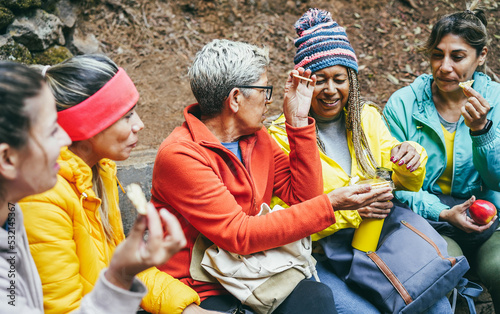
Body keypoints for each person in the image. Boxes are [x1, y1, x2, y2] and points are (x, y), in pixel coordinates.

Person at [146, 38, 394, 313]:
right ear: (236, 99)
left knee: (317, 299)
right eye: (264, 89)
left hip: (254, 270)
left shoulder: (256, 137)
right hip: (203, 286)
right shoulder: (180, 155)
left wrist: (298, 124)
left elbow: (304, 198)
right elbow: (239, 234)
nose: (269, 98)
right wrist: (332, 203)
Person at [268, 8, 456, 313]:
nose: (330, 90)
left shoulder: (365, 118)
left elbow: (406, 182)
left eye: (339, 79)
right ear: (304, 83)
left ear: (351, 80)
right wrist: (350, 209)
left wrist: (412, 157)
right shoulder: (280, 136)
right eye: (319, 80)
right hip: (325, 254)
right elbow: (283, 220)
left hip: (381, 239)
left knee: (437, 308)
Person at [18, 55, 210, 314]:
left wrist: (189, 310)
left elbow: (121, 268)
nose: (139, 125)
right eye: (126, 115)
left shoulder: (99, 172)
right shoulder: (42, 200)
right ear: (87, 124)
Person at [383, 2, 500, 312]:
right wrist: (441, 212)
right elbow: (393, 183)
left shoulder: (497, 102)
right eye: (437, 55)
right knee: (441, 268)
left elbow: (497, 181)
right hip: (427, 219)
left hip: (491, 220)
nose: (444, 67)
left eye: (457, 57)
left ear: (482, 56)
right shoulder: (403, 105)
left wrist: (482, 132)